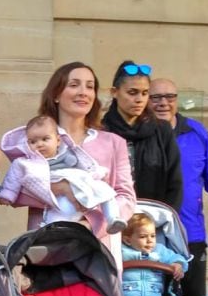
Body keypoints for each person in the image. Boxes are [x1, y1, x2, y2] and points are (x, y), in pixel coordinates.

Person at [148, 77, 208, 296]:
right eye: (156, 97)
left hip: (191, 234)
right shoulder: (140, 135)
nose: (163, 103)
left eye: (170, 97)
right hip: (147, 237)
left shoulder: (196, 132)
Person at [36, 62, 137, 270]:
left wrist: (91, 223)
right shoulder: (35, 138)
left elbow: (126, 197)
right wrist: (61, 187)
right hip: (48, 245)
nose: (83, 92)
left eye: (90, 86)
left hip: (99, 247)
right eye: (74, 85)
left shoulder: (113, 142)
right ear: (56, 94)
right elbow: (17, 191)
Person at [0, 114, 126, 233]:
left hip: (81, 187)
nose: (39, 144)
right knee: (58, 216)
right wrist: (8, 194)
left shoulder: (68, 153)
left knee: (105, 191)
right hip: (58, 199)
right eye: (33, 142)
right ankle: (53, 232)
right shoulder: (26, 163)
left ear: (58, 140)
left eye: (45, 139)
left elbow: (85, 166)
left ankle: (112, 218)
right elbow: (13, 178)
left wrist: (97, 174)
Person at [101, 60, 183, 210]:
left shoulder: (162, 130)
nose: (139, 99)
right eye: (132, 93)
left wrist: (166, 217)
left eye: (145, 93)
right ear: (114, 92)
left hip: (154, 222)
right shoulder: (101, 132)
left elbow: (175, 183)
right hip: (113, 219)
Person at [120, 212, 188, 296]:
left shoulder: (159, 251)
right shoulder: (121, 252)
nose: (150, 240)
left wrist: (178, 264)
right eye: (143, 236)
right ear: (127, 239)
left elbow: (177, 258)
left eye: (153, 236)